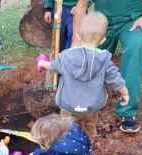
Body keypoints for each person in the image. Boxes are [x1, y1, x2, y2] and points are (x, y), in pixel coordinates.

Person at [72, 0, 142, 133]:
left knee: (137, 46)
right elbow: (82, 6)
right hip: (101, 22)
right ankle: (84, 103)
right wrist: (76, 40)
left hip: (132, 21)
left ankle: (128, 110)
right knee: (88, 56)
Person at [37, 12, 130, 142]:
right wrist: (125, 93)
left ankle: (68, 145)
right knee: (90, 128)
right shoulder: (104, 60)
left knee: (65, 130)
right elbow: (115, 79)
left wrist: (42, 63)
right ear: (103, 40)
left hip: (68, 107)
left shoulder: (66, 56)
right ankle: (88, 143)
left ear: (78, 36)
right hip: (91, 108)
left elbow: (53, 66)